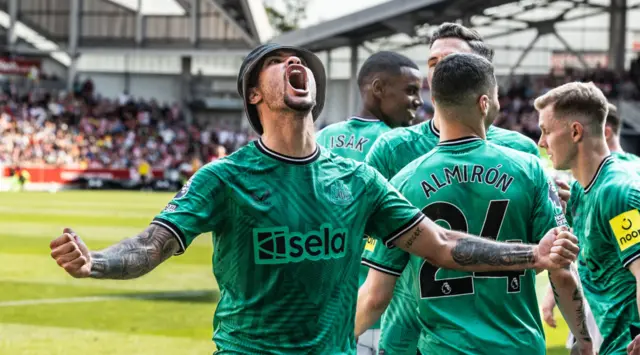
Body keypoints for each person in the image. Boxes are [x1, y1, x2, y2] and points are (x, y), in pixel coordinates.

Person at [49, 43, 579, 355]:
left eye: (300, 62)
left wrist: (530, 255)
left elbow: (439, 244)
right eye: (279, 62)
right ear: (254, 95)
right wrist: (95, 262)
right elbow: (154, 244)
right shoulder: (224, 178)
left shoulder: (358, 180)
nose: (295, 64)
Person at [357, 22, 573, 355]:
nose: (441, 68)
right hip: (407, 334)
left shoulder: (521, 151)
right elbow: (368, 239)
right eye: (433, 62)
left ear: (477, 70)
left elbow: (546, 241)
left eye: (451, 59)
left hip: (494, 324)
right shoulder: (392, 149)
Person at [316, 50, 423, 355]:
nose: (418, 101)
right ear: (378, 88)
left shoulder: (322, 139)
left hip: (332, 308)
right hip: (387, 310)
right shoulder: (402, 144)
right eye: (410, 90)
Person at [535, 81, 640, 355]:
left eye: (546, 131)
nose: (541, 142)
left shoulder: (619, 192)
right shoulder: (582, 191)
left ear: (575, 131)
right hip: (601, 343)